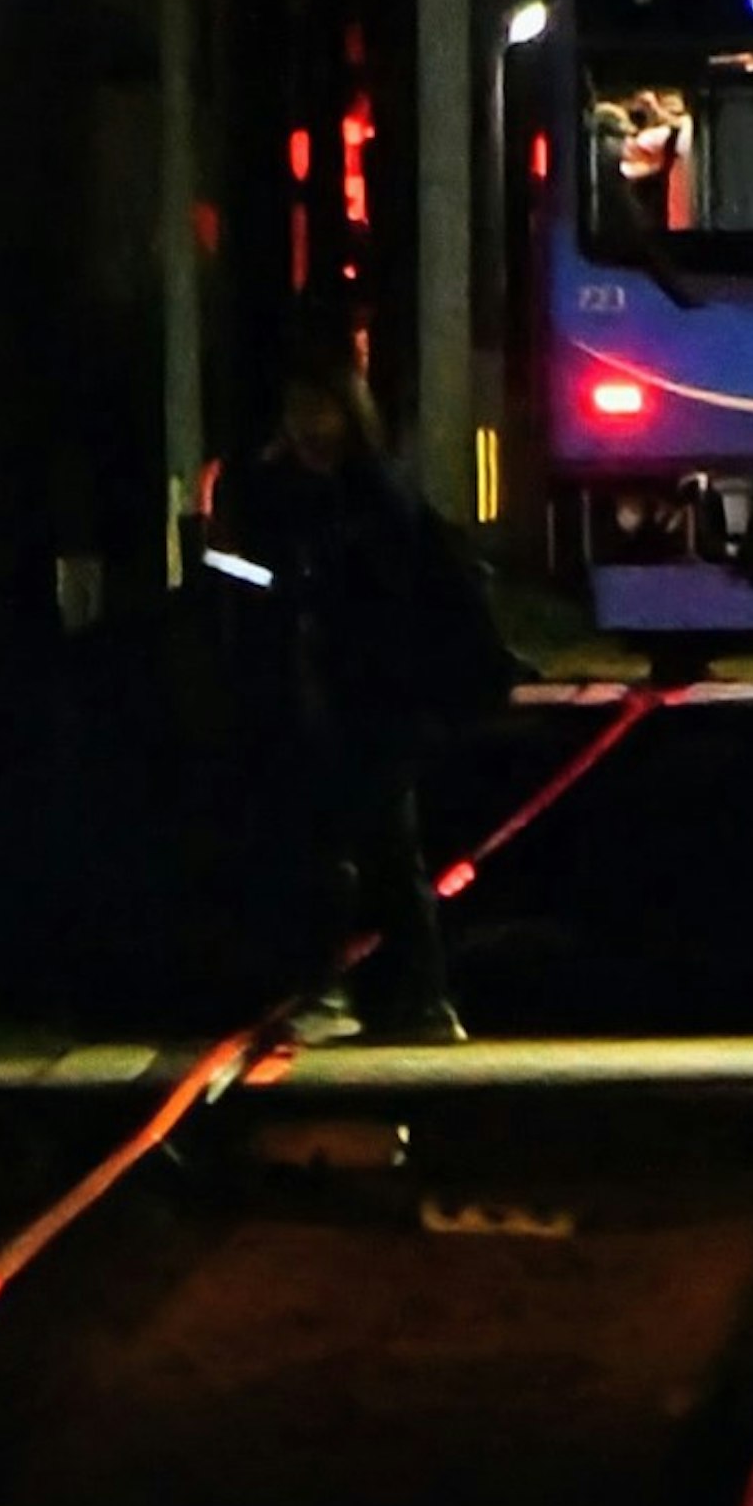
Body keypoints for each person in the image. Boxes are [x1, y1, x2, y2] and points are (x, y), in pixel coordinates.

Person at [211, 351, 517, 1040]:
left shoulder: (379, 495)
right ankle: (349, 992)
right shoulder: (277, 492)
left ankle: (408, 996)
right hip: (310, 697)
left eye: (318, 410)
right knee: (326, 848)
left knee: (380, 850)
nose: (308, 425)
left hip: (372, 703)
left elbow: (408, 596)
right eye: (297, 411)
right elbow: (251, 582)